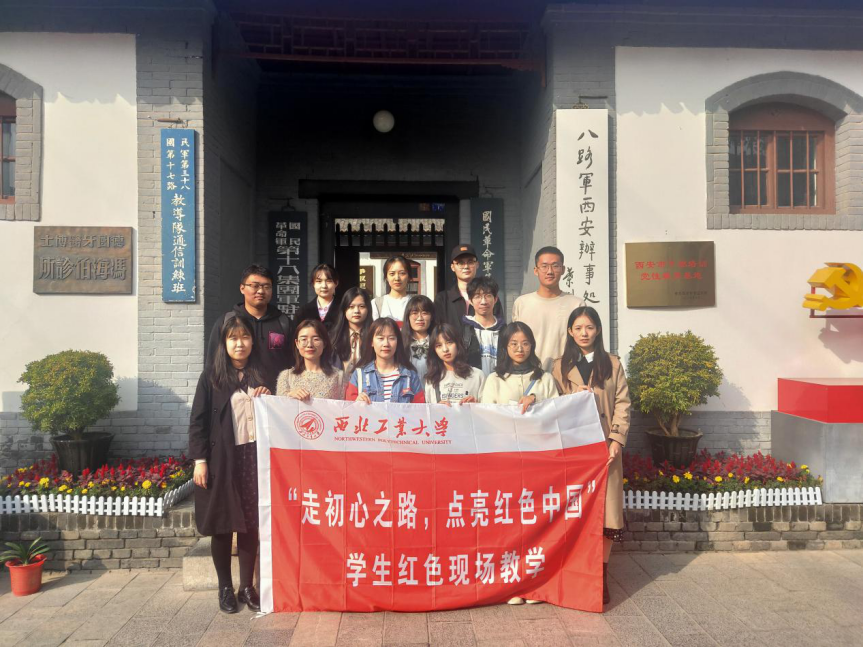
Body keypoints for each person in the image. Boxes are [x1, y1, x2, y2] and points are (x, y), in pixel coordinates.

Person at [189, 315, 270, 614]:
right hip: (222, 459)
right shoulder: (211, 377)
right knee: (223, 525)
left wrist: (269, 396)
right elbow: (197, 421)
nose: (240, 344)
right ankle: (225, 587)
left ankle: (246, 587)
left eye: (245, 337)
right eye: (233, 338)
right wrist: (200, 461)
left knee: (250, 524)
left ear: (252, 341)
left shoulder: (261, 373)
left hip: (254, 457)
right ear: (223, 343)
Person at [551, 306, 630, 607]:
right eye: (578, 328)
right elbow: (551, 404)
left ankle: (601, 575)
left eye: (590, 327)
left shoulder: (612, 363)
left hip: (605, 447)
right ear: (570, 331)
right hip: (573, 448)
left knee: (607, 514)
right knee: (577, 512)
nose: (584, 333)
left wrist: (616, 439)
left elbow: (623, 403)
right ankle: (576, 573)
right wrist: (572, 400)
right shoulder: (559, 366)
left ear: (598, 330)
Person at [480, 320, 557, 605]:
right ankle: (512, 584)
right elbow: (487, 417)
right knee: (509, 523)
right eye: (513, 343)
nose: (520, 348)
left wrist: (537, 400)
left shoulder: (545, 378)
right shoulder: (494, 380)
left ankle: (534, 583)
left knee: (535, 522)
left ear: (532, 345)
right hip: (506, 460)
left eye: (525, 343)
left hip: (538, 460)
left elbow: (556, 412)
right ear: (504, 346)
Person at [206, 264, 293, 389]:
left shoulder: (283, 322)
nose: (261, 291)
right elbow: (212, 364)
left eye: (266, 286)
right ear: (242, 288)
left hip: (275, 396)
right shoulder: (227, 322)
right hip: (234, 394)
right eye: (255, 286)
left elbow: (293, 363)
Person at [512, 246, 584, 372]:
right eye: (544, 266)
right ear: (536, 270)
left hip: (566, 375)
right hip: (529, 375)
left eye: (555, 266)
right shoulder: (522, 303)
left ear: (563, 269)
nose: (550, 271)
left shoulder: (576, 305)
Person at [345, 317, 425, 403]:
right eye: (380, 338)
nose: (386, 344)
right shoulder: (359, 376)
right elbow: (348, 408)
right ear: (371, 342)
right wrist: (356, 403)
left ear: (398, 342)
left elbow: (419, 409)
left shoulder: (410, 376)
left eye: (391, 338)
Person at [434, 244, 504, 333]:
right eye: (460, 263)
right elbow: (437, 331)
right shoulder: (442, 299)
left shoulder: (489, 297)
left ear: (477, 264)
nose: (466, 267)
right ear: (452, 267)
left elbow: (499, 327)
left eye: (470, 262)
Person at [276, 319, 344, 400]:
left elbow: (344, 406)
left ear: (324, 343)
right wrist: (289, 396)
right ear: (297, 343)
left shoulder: (338, 377)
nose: (310, 345)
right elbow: (278, 405)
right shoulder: (286, 377)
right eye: (304, 339)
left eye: (316, 339)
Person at [424, 324, 485, 404]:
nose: (445, 349)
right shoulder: (431, 380)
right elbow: (428, 410)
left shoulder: (477, 375)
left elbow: (487, 408)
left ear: (458, 344)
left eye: (449, 342)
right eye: (439, 345)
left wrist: (475, 405)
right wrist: (436, 408)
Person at [461, 276, 505, 375]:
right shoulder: (463, 331)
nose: (483, 302)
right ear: (470, 301)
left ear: (495, 299)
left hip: (499, 382)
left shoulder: (504, 331)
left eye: (488, 296)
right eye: (477, 296)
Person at [331, 287, 373, 373]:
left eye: (361, 306)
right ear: (344, 309)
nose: (356, 311)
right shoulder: (332, 337)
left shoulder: (375, 336)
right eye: (351, 307)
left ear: (368, 309)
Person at [292, 264, 341, 332]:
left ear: (336, 283)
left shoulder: (343, 309)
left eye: (328, 281)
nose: (324, 286)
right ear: (313, 284)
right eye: (319, 281)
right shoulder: (303, 312)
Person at [402, 295, 436, 384]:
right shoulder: (400, 343)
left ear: (432, 317)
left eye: (425, 313)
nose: (420, 318)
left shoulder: (439, 342)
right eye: (414, 313)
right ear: (408, 316)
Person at [371, 255, 412, 327]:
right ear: (386, 277)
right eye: (392, 274)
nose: (397, 278)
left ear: (409, 276)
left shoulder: (415, 303)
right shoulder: (376, 304)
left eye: (402, 273)